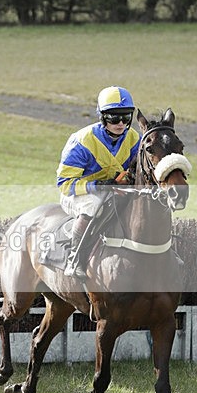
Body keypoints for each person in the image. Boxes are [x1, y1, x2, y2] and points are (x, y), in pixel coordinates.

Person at [57, 86, 140, 279]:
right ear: (102, 116)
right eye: (114, 118)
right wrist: (96, 186)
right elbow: (64, 183)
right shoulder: (82, 141)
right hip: (80, 195)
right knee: (93, 205)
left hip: (116, 192)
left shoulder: (134, 138)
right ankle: (74, 259)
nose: (121, 123)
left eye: (126, 117)